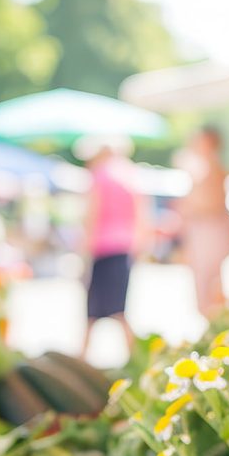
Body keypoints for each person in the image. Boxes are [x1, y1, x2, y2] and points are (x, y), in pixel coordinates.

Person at [81, 135, 144, 357]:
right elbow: (141, 212)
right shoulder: (129, 174)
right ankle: (136, 355)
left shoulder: (100, 176)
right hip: (124, 247)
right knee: (117, 307)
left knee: (95, 310)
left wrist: (84, 249)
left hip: (103, 247)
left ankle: (82, 358)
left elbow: (92, 214)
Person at [174, 126, 229, 318]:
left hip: (209, 231)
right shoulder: (204, 167)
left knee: (208, 284)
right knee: (207, 283)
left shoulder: (212, 168)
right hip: (205, 231)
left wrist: (189, 208)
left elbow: (213, 205)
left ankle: (217, 325)